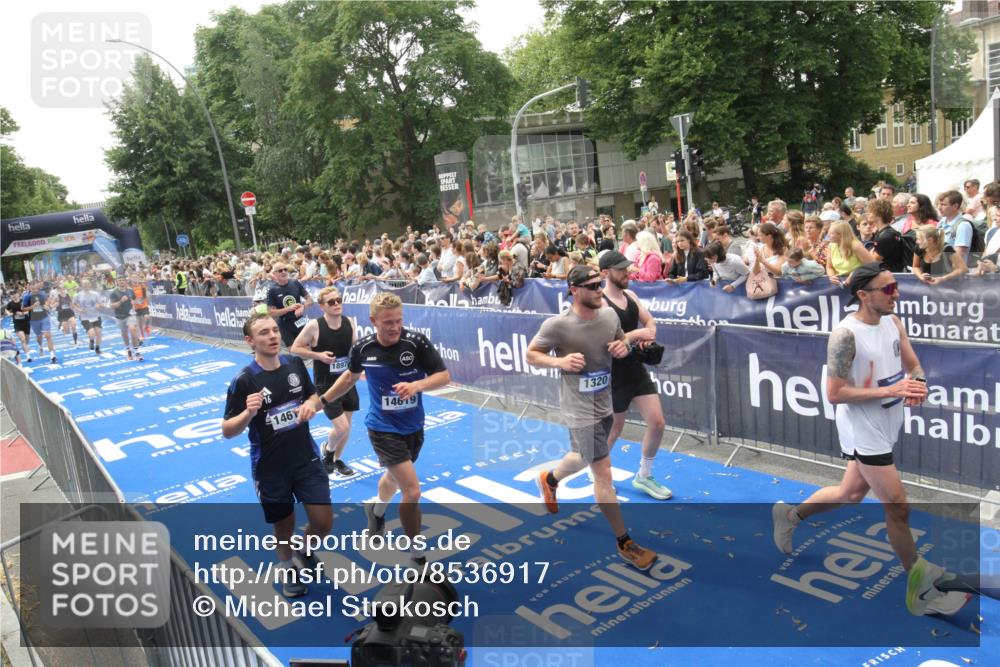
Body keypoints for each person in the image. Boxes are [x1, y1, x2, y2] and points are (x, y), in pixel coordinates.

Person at [771, 263, 962, 617]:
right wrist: (892, 388)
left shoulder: (892, 320)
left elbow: (913, 364)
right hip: (862, 426)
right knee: (898, 507)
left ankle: (790, 515)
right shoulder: (845, 334)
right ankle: (920, 589)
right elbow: (834, 393)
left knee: (851, 494)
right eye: (888, 289)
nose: (896, 294)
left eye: (895, 287)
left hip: (889, 419)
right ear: (863, 294)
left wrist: (917, 383)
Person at [528, 265, 657, 570]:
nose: (600, 290)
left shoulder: (610, 316)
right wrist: (560, 361)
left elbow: (622, 342)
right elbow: (531, 354)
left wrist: (623, 347)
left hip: (605, 402)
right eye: (592, 286)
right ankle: (624, 542)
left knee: (581, 457)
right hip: (579, 409)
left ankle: (549, 479)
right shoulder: (558, 325)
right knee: (603, 472)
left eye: (600, 284)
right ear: (574, 290)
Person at [314, 293, 450, 567]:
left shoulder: (416, 342)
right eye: (388, 322)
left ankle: (376, 511)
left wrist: (417, 386)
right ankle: (417, 556)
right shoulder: (363, 348)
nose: (394, 327)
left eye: (398, 320)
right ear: (373, 321)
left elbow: (443, 376)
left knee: (393, 477)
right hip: (382, 427)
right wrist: (324, 400)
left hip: (413, 425)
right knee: (412, 491)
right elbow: (350, 377)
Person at [222, 313, 331, 598]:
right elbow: (227, 430)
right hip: (270, 468)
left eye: (274, 330)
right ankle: (287, 569)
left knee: (322, 522)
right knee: (284, 526)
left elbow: (312, 396)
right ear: (250, 341)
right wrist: (248, 412)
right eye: (263, 333)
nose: (272, 336)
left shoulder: (294, 363)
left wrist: (310, 405)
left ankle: (304, 550)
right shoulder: (244, 380)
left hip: (305, 457)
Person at [598, 252, 672, 500]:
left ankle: (644, 475)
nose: (627, 273)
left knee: (657, 422)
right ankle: (599, 471)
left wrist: (643, 335)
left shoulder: (631, 295)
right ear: (605, 273)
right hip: (613, 375)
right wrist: (637, 335)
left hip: (635, 370)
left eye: (627, 268)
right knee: (614, 429)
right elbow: (611, 342)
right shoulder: (602, 303)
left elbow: (650, 322)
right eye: (621, 270)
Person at [291, 286, 358, 477]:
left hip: (347, 381)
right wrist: (317, 355)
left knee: (347, 425)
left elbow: (355, 347)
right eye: (331, 302)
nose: (336, 304)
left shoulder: (349, 322)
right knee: (341, 426)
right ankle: (328, 451)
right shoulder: (314, 325)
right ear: (322, 306)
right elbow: (295, 348)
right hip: (325, 384)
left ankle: (336, 460)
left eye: (339, 300)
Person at [267, 262, 314, 349]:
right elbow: (271, 313)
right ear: (274, 274)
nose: (284, 272)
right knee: (293, 352)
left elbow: (310, 300)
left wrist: (303, 307)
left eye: (285, 269)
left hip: (299, 320)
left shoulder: (295, 283)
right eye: (280, 270)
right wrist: (288, 309)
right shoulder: (272, 290)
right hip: (284, 324)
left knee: (306, 349)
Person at [826, 220, 875, 286]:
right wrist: (831, 276)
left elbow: (872, 265)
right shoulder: (831, 246)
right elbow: (829, 267)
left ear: (840, 235)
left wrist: (855, 273)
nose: (828, 235)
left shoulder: (855, 245)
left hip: (861, 284)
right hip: (842, 285)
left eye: (831, 233)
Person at [868, 199, 908, 273]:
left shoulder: (886, 235)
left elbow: (872, 260)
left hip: (891, 277)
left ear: (879, 214)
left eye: (870, 212)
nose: (868, 214)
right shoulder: (884, 233)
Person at [109, 276, 143, 361]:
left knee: (132, 330)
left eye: (123, 280)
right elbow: (112, 306)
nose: (121, 282)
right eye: (119, 280)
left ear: (125, 282)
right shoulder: (114, 293)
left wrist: (136, 302)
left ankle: (137, 352)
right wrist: (121, 301)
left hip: (130, 315)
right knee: (124, 334)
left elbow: (135, 301)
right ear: (117, 282)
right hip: (120, 316)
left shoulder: (130, 291)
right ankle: (128, 350)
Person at [24, 283, 57, 364]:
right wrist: (32, 306)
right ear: (30, 288)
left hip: (44, 317)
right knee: (39, 336)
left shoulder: (42, 294)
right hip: (34, 320)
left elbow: (47, 302)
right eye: (33, 289)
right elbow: (24, 309)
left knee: (47, 335)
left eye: (36, 289)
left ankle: (52, 355)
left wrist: (47, 306)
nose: (35, 290)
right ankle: (40, 346)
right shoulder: (27, 297)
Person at [73, 279, 104, 355]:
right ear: (82, 286)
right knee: (92, 333)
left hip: (96, 316)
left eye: (87, 284)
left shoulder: (95, 294)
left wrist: (98, 305)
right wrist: (79, 309)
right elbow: (73, 304)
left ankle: (97, 348)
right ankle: (91, 340)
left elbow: (101, 303)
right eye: (84, 284)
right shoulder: (78, 295)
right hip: (85, 317)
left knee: (98, 332)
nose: (86, 286)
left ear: (90, 285)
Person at [4, 296, 31, 362]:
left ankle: (25, 347)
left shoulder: (23, 301)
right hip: (17, 324)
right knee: (23, 339)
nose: (14, 297)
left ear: (18, 294)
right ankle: (28, 356)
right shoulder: (10, 304)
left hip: (26, 322)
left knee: (26, 341)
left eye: (15, 295)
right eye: (12, 295)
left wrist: (22, 313)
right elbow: (6, 310)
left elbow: (28, 310)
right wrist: (9, 313)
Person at [131, 274, 151, 340]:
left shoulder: (142, 286)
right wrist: (135, 302)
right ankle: (142, 335)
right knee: (139, 323)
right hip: (136, 308)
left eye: (136, 278)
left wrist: (142, 300)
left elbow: (145, 296)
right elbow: (131, 299)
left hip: (144, 306)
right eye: (133, 278)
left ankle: (147, 326)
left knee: (146, 317)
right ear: (131, 280)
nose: (135, 280)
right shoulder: (131, 289)